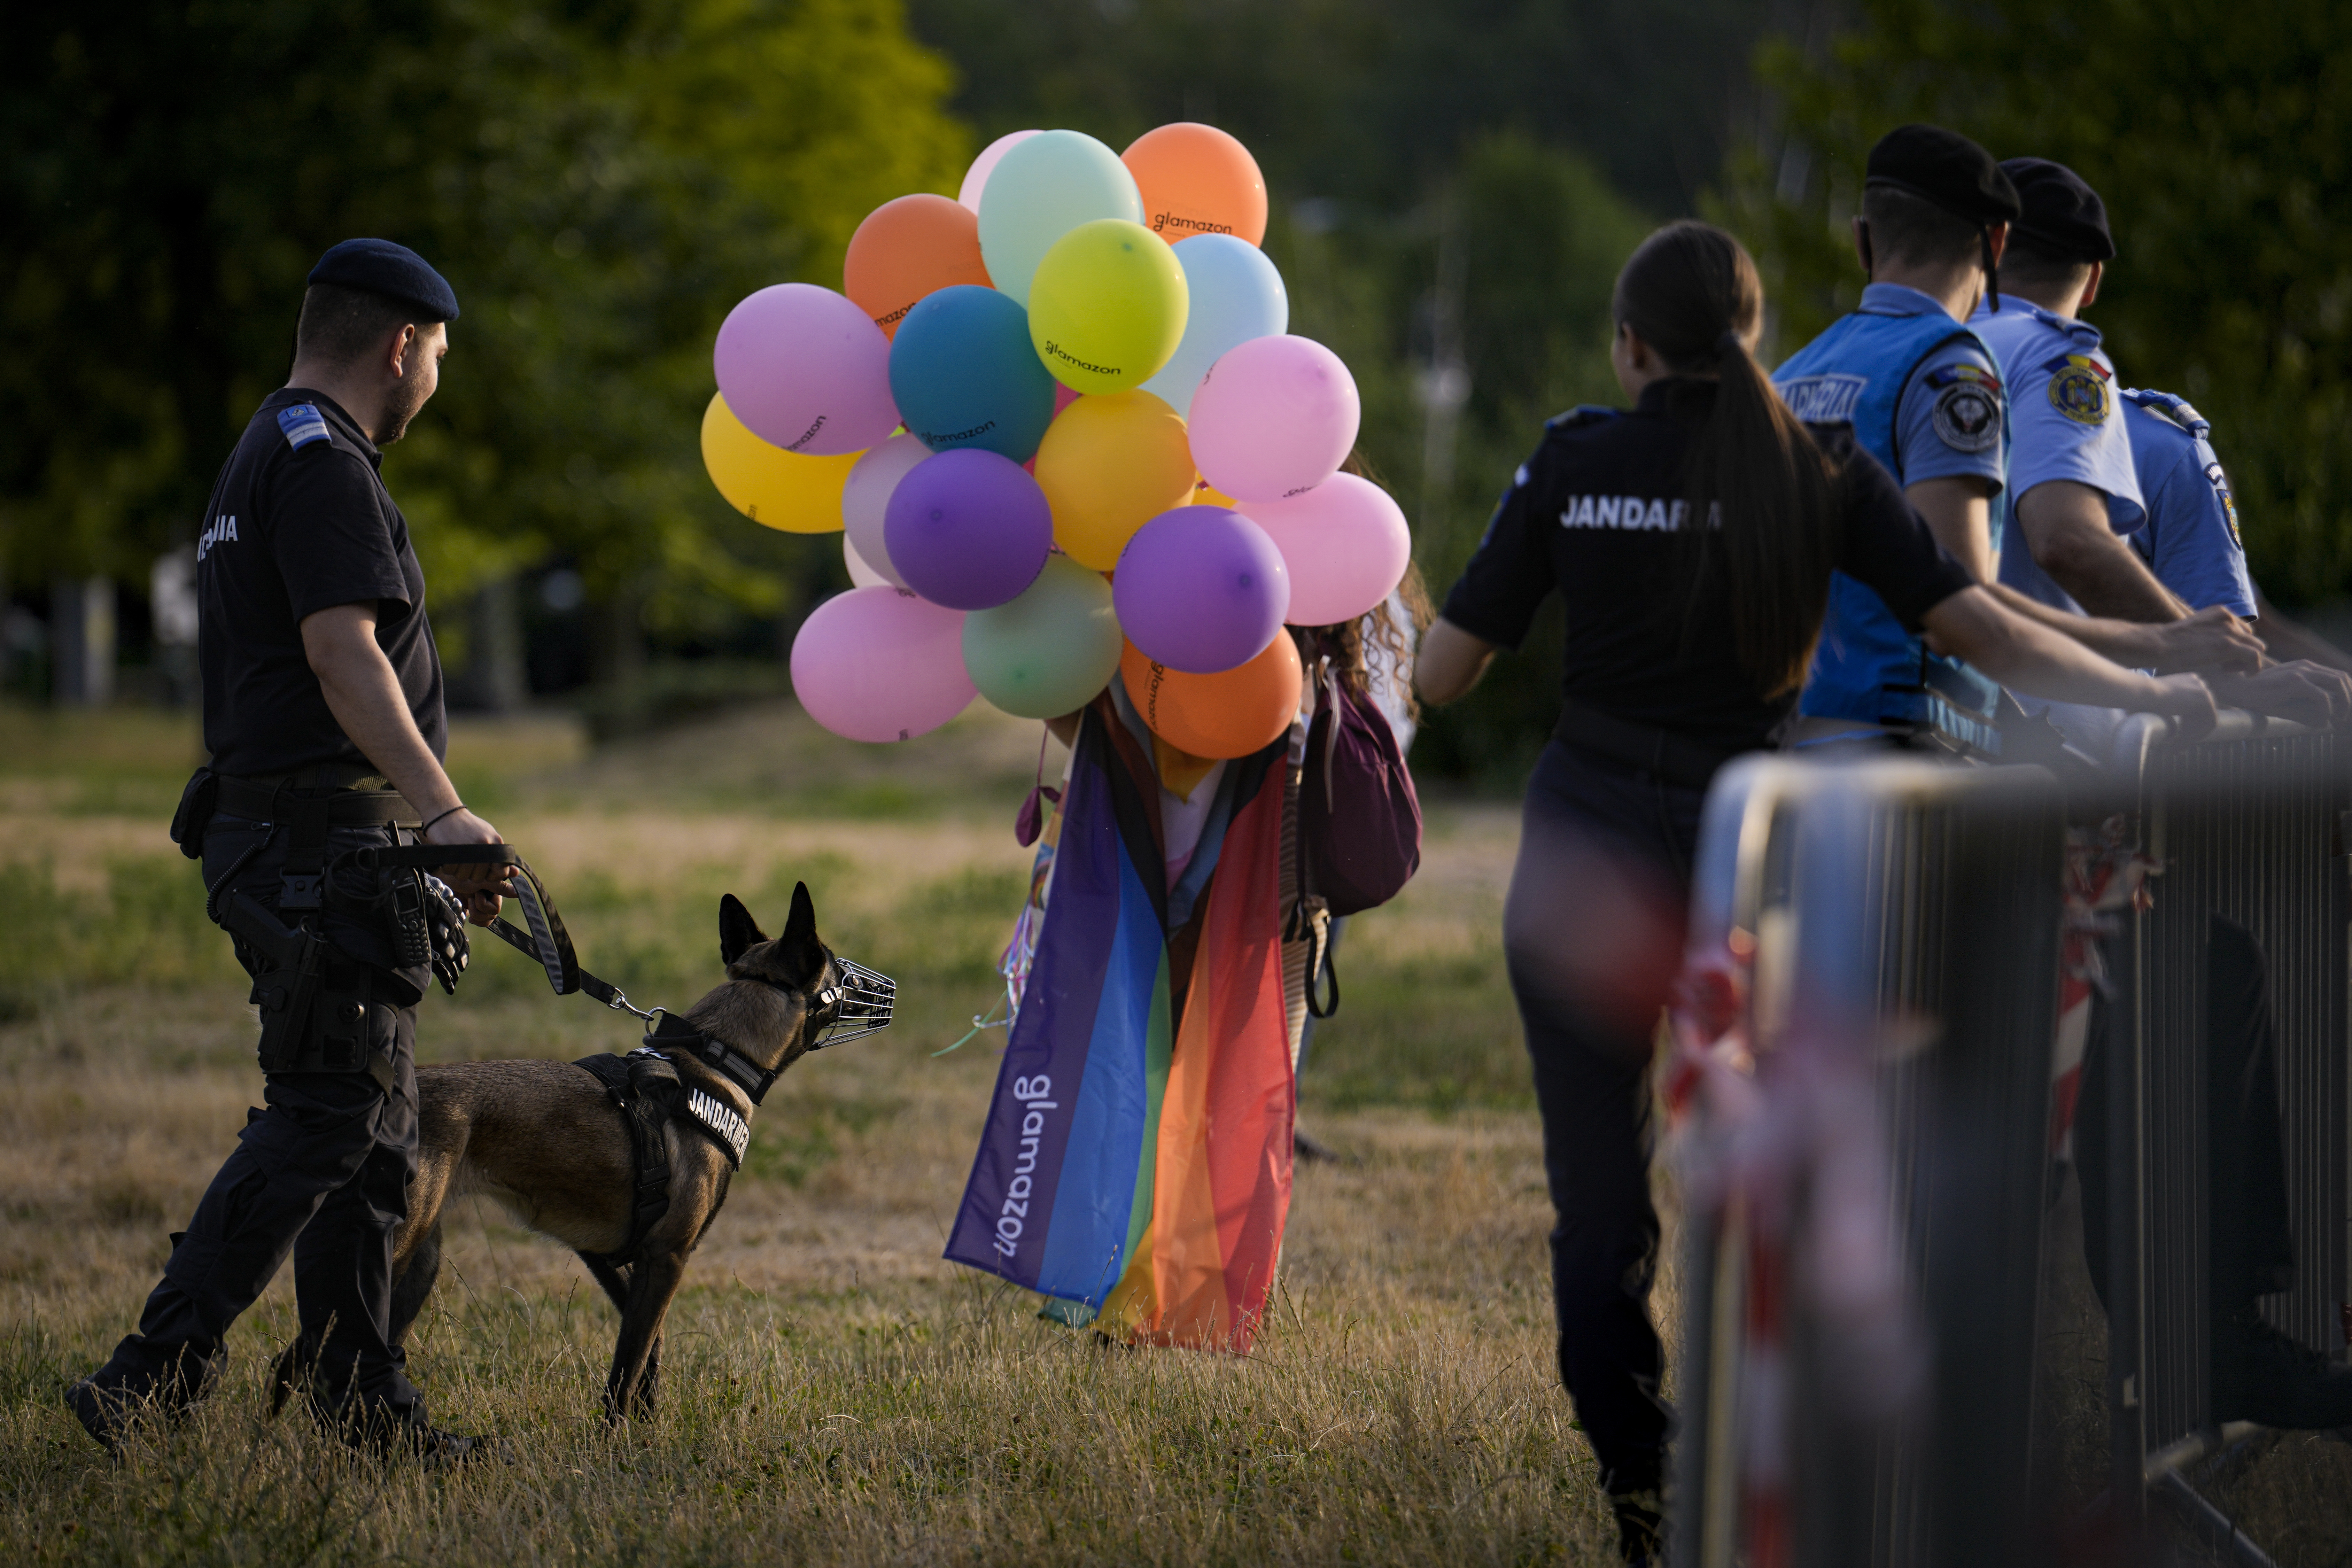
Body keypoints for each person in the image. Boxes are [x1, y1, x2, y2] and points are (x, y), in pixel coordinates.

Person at [1414, 219, 2249, 1564]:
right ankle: (1819, 1462)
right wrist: (2155, 682)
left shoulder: (1575, 460)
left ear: (1631, 346)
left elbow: (1445, 677)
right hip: (1753, 862)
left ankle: (1645, 1490)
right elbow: (1981, 628)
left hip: (1586, 864)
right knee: (1801, 1175)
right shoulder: (1819, 468)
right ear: (1750, 337)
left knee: (1601, 1200)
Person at [67, 239, 512, 1460]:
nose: (439, 377)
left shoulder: (267, 446)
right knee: (324, 1117)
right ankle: (148, 1378)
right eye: (442, 356)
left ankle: (359, 1397)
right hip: (319, 849)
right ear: (402, 346)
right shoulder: (323, 466)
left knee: (373, 1131)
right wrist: (446, 815)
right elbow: (341, 652)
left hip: (317, 847)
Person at [1768, 126, 2266, 757]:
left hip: (1786, 751)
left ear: (1861, 237)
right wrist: (2160, 662)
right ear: (1994, 242)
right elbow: (1968, 609)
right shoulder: (1952, 368)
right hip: (1904, 744)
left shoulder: (1789, 377)